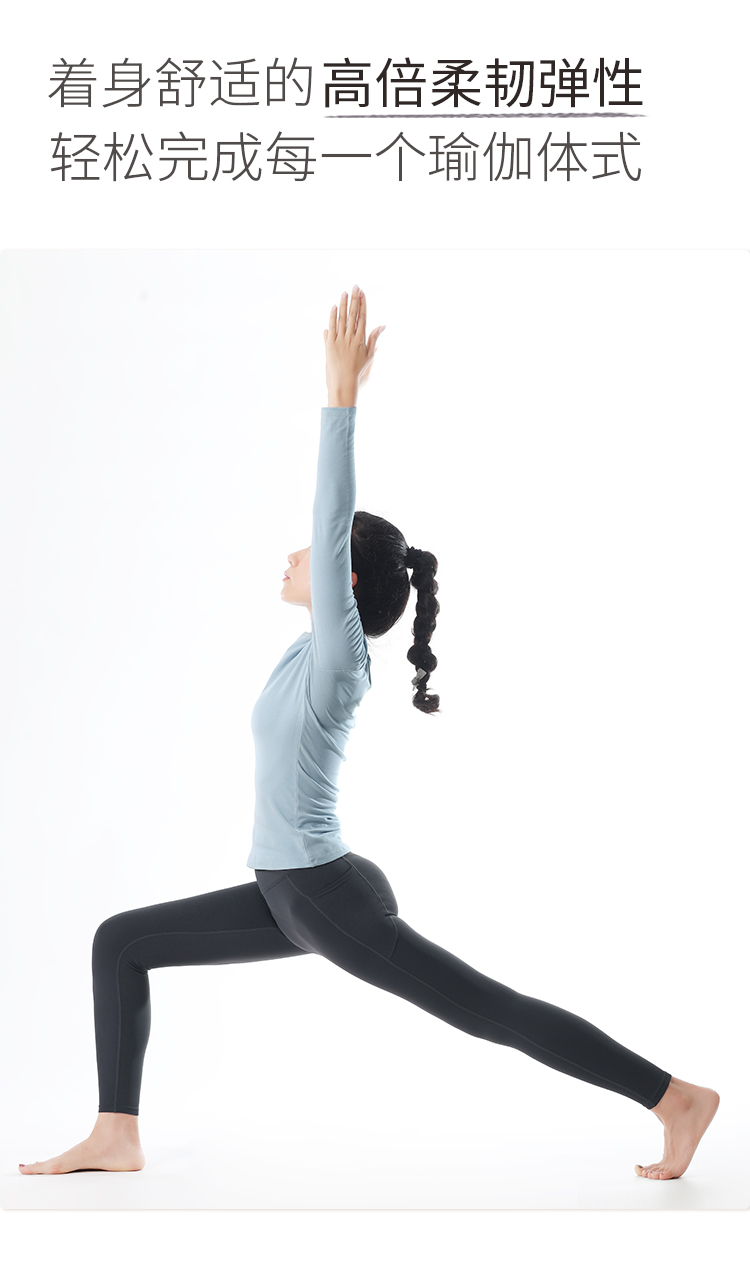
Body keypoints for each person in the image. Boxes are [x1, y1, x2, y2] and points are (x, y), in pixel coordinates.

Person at [20, 284, 719, 1182]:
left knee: (490, 1012)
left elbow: (329, 512)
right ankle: (117, 1132)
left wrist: (340, 395)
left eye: (312, 551)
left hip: (326, 900)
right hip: (288, 893)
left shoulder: (339, 662)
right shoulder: (303, 652)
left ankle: (674, 1098)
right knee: (119, 941)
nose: (291, 554)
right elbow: (324, 544)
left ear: (342, 581)